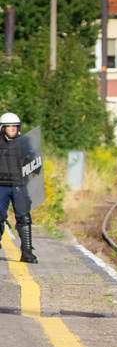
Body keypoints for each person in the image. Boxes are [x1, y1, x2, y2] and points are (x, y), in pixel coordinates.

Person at [0, 112, 36, 263]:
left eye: (15, 127)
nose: (13, 129)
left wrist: (34, 164)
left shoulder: (24, 143)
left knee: (24, 219)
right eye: (10, 127)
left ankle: (27, 252)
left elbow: (33, 161)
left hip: (19, 186)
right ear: (3, 128)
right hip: (1, 186)